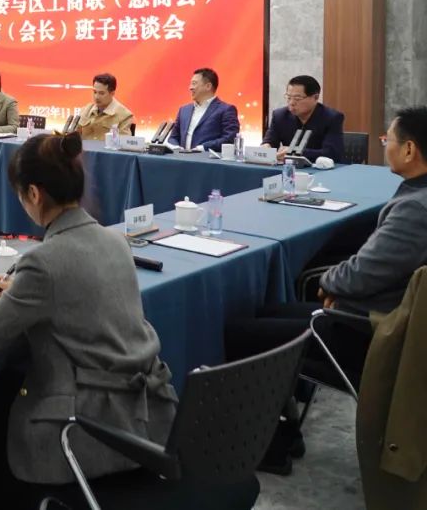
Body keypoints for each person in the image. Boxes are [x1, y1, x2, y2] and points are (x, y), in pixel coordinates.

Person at [0, 132, 177, 507]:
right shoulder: (116, 241)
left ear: (34, 194)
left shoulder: (42, 262)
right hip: (146, 421)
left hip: (85, 430)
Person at [225, 106, 427, 474]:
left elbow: (363, 273)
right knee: (269, 310)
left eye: (389, 140)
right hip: (375, 313)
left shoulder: (416, 210)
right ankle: (283, 431)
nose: (385, 146)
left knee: (241, 332)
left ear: (410, 150)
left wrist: (330, 284)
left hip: (370, 330)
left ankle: (269, 445)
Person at [263, 75, 345, 162]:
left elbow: (332, 153)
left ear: (315, 97)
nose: (291, 103)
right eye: (288, 97)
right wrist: (266, 147)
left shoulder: (331, 118)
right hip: (288, 167)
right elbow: (270, 142)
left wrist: (295, 152)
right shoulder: (280, 116)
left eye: (297, 98)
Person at [167, 68, 239, 151]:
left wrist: (203, 148)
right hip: (181, 158)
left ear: (208, 86)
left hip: (207, 158)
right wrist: (176, 148)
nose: (190, 88)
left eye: (194, 83)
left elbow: (230, 138)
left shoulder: (226, 110)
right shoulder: (183, 110)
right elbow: (173, 137)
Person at [76, 73, 134, 140]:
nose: (96, 97)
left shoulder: (124, 115)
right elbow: (75, 137)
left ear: (112, 93)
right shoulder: (86, 110)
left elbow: (124, 143)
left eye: (101, 93)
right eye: (95, 92)